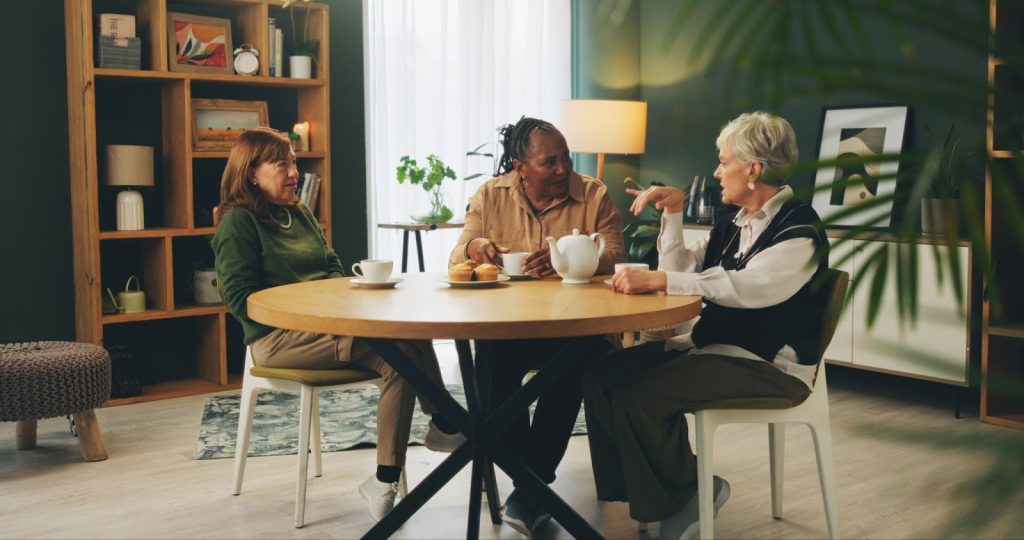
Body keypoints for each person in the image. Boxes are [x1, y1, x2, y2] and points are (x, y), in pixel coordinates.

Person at [583, 112, 830, 540]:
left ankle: (690, 496)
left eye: (723, 161)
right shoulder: (734, 224)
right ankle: (653, 494)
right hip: (714, 348)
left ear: (753, 169)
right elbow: (682, 269)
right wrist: (674, 213)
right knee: (601, 375)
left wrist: (661, 280)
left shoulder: (800, 230)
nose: (716, 172)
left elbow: (748, 288)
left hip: (768, 365)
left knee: (641, 395)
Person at [211, 127, 464, 523]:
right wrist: (310, 311)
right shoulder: (238, 223)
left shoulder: (299, 213)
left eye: (294, 161)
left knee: (404, 345)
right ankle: (448, 424)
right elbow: (241, 299)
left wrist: (339, 304)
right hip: (277, 340)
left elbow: (330, 265)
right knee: (400, 349)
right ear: (251, 174)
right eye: (282, 164)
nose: (294, 171)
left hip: (327, 328)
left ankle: (386, 478)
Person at [449, 116, 626, 536]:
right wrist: (476, 247)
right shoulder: (490, 195)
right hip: (511, 326)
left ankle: (529, 486)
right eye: (550, 162)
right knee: (490, 358)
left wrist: (573, 257)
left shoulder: (594, 194)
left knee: (573, 366)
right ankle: (529, 486)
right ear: (519, 166)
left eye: (566, 158)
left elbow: (617, 255)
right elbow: (460, 254)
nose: (563, 169)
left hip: (578, 329)